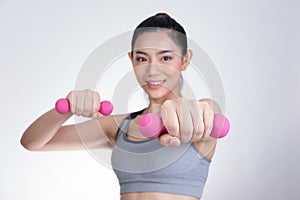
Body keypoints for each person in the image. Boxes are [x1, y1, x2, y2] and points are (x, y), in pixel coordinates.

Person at [21, 13, 222, 200]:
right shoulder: (119, 127)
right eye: (142, 58)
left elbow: (206, 111)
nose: (152, 70)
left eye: (166, 58)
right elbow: (33, 142)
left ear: (185, 60)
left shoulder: (201, 113)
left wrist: (185, 110)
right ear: (131, 59)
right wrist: (66, 108)